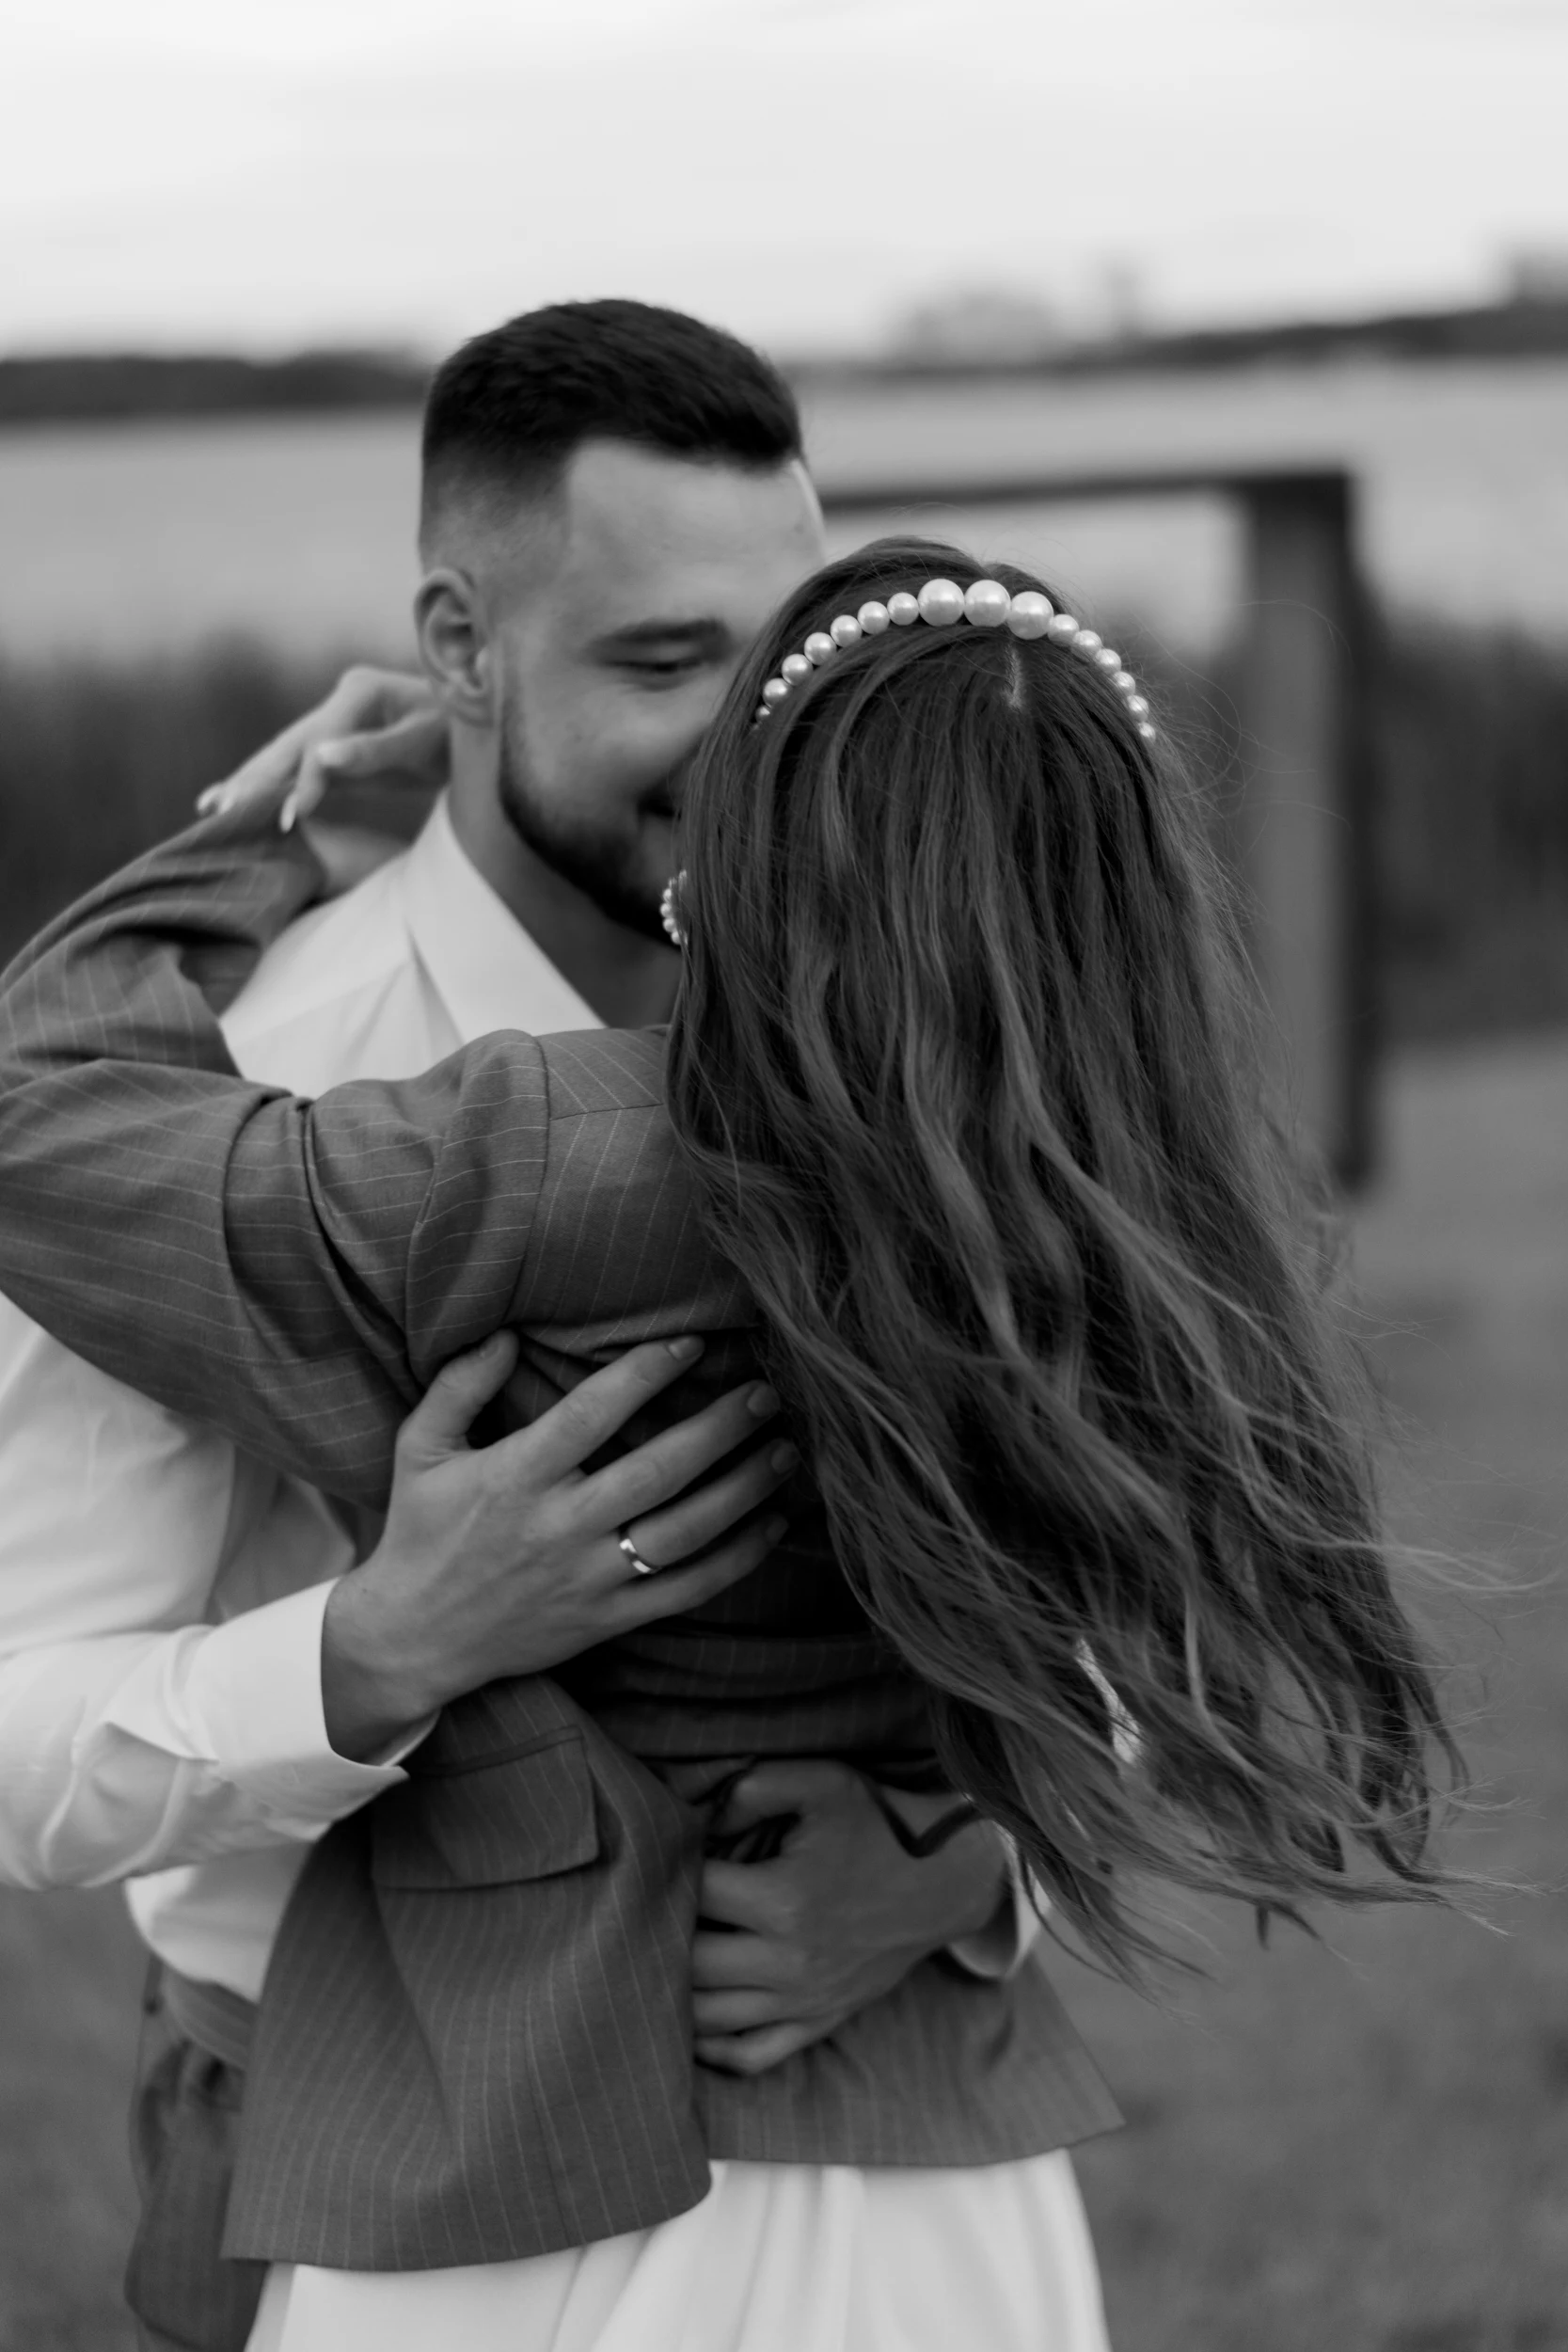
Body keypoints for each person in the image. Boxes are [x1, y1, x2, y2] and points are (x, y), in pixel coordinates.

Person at [0, 535, 1459, 2352]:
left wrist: (265, 836)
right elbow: (1151, 1652)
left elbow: (40, 1127)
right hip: (945, 2196)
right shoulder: (1144, 1226)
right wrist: (963, 1861)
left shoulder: (545, 1161)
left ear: (740, 856)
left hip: (509, 2174)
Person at [0, 305, 1034, 2352]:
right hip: (351, 2181)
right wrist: (376, 1649)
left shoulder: (905, 1039)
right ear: (460, 649)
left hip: (887, 2139)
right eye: (660, 664)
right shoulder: (229, 1086)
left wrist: (967, 1868)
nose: (748, 739)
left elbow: (1109, 1588)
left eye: (782, 653)